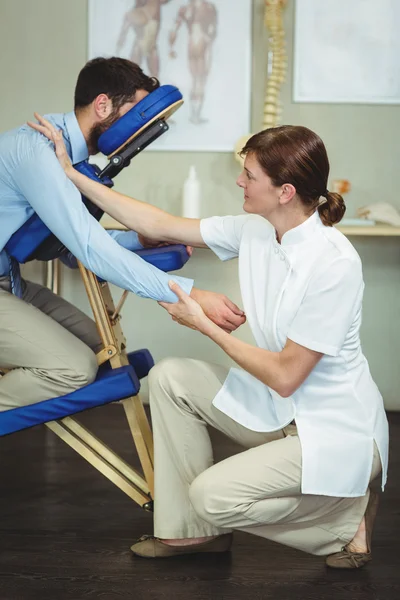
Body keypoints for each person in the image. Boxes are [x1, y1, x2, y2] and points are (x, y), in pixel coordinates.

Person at [29, 116, 389, 569]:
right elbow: (158, 221)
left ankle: (344, 520)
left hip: (337, 428)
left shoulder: (334, 264)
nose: (239, 180)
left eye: (250, 175)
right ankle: (191, 536)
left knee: (210, 496)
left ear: (285, 192)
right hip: (285, 412)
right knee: (169, 378)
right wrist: (71, 175)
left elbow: (284, 375)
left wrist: (204, 324)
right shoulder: (257, 230)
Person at [0, 56, 245, 412]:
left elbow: (68, 246)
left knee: (104, 349)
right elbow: (88, 246)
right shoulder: (36, 150)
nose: (136, 128)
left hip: (10, 282)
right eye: (135, 112)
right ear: (103, 105)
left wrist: (138, 241)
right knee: (75, 367)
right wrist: (187, 295)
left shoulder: (68, 155)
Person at [169, 0, 217, 124]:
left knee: (197, 79)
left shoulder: (187, 8)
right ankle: (195, 115)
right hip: (201, 43)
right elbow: (212, 30)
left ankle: (195, 114)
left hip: (193, 43)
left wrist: (171, 47)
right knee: (200, 80)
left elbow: (175, 28)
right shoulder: (207, 7)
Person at [116, 1, 173, 78]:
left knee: (153, 74)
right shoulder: (133, 14)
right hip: (140, 45)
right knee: (134, 74)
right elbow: (123, 34)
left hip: (149, 46)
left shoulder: (154, 6)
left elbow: (123, 34)